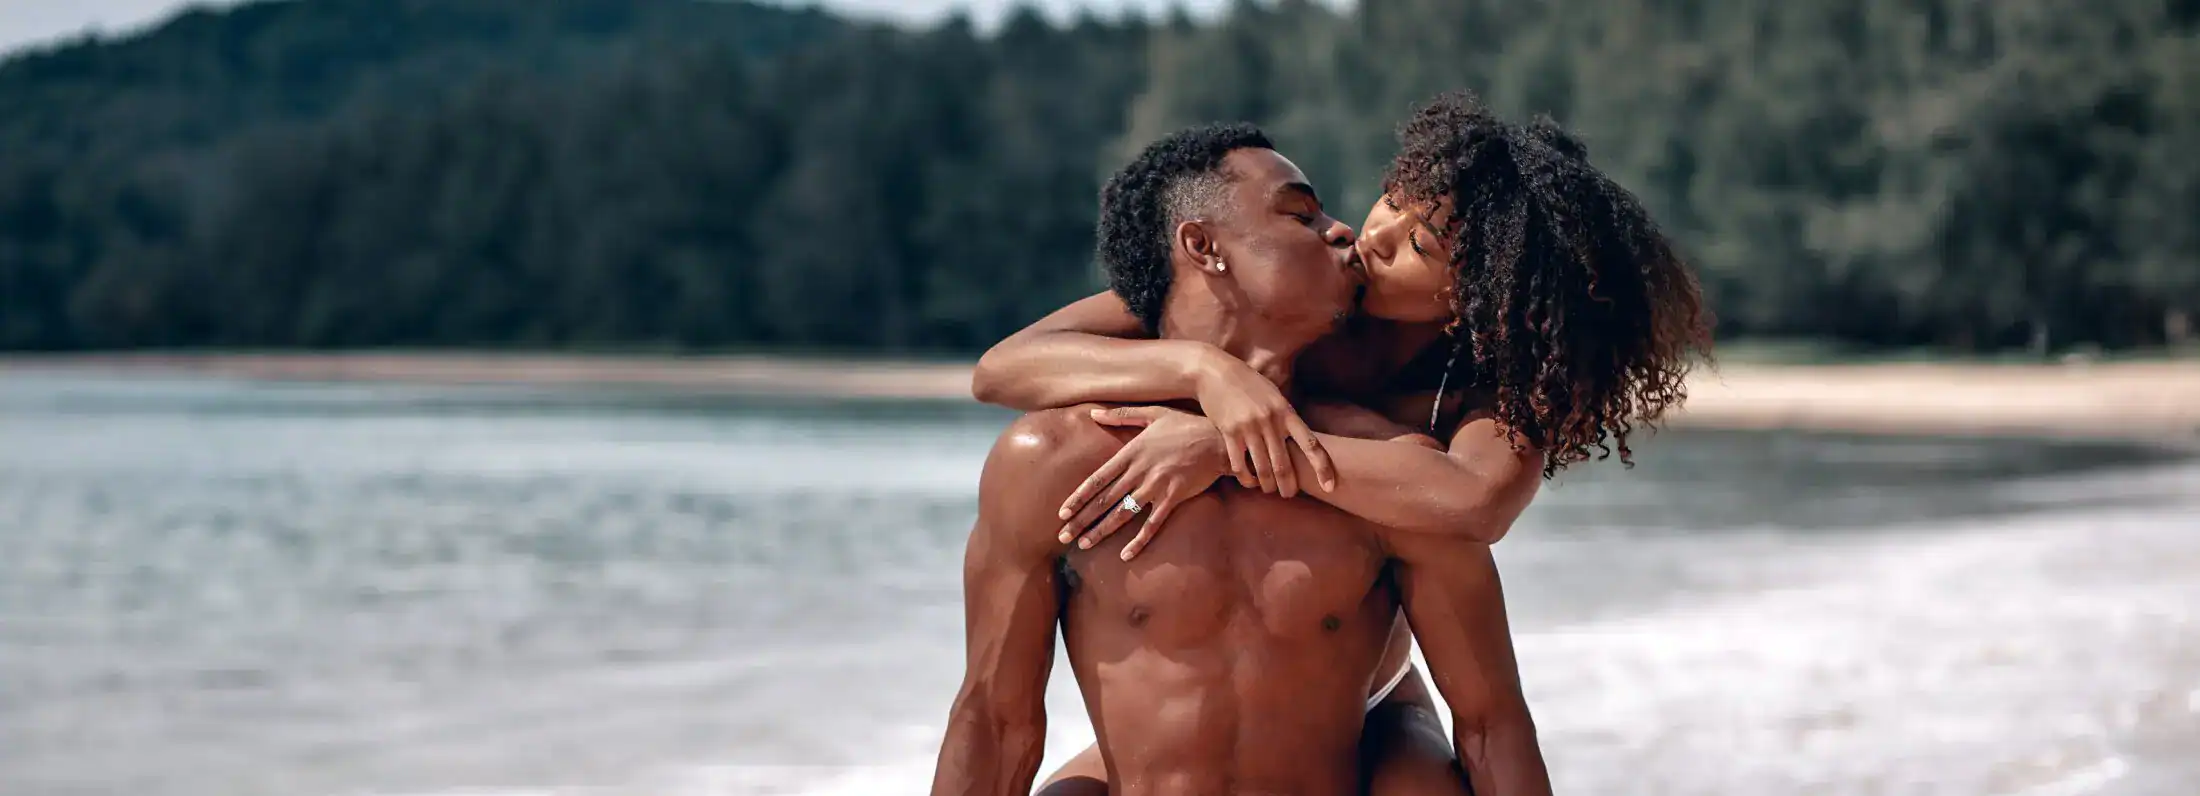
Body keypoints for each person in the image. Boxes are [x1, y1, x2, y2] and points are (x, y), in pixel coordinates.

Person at [965, 92, 1714, 792]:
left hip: (1367, 665)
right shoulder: (1281, 299)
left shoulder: (1473, 401)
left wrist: (1228, 445)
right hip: (1213, 655)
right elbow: (1005, 367)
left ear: (1478, 294)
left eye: (1419, 242)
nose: (1371, 234)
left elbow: (1474, 500)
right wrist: (1205, 372)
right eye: (1391, 198)